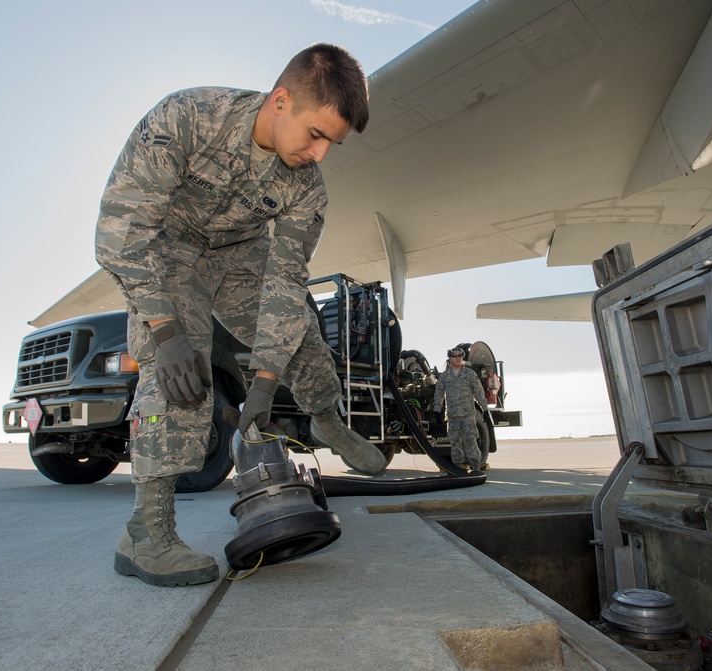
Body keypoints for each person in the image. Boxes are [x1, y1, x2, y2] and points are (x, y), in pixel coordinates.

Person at [95, 44, 388, 587]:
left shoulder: (305, 187)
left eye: (333, 143)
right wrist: (165, 330)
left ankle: (326, 420)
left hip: (238, 254)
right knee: (179, 371)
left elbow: (283, 282)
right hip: (169, 248)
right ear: (281, 101)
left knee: (299, 330)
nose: (320, 154)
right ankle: (146, 533)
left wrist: (264, 382)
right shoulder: (186, 118)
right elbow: (120, 230)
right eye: (316, 134)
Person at [432, 347, 489, 472]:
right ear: (450, 358)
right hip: (452, 416)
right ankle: (457, 468)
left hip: (468, 414)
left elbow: (479, 392)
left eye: (460, 355)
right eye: (454, 355)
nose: (457, 358)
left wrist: (485, 409)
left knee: (471, 440)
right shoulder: (444, 376)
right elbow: (439, 393)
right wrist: (437, 409)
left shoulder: (470, 374)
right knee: (454, 442)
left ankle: (476, 468)